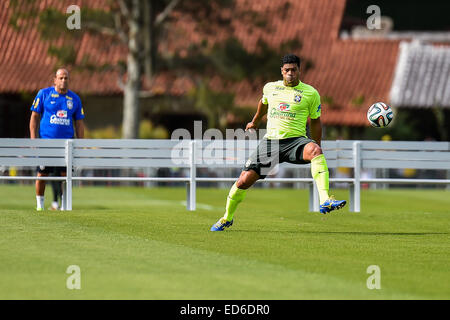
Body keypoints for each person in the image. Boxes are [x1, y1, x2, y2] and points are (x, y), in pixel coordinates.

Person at [211, 54, 346, 231]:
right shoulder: (270, 88)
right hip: (271, 143)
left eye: (294, 70)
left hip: (295, 141)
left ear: (299, 71)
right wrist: (255, 121)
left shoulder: (311, 93)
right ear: (282, 71)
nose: (290, 73)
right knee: (243, 181)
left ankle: (325, 200)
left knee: (315, 150)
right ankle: (227, 218)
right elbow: (263, 103)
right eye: (287, 70)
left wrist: (316, 145)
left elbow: (315, 120)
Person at [29, 68, 85, 211]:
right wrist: (33, 139)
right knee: (42, 173)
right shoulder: (44, 94)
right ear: (54, 79)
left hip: (67, 145)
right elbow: (34, 118)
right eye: (61, 78)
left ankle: (65, 205)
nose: (63, 81)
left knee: (65, 175)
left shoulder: (75, 99)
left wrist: (80, 144)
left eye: (66, 78)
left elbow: (79, 123)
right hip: (46, 143)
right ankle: (40, 206)